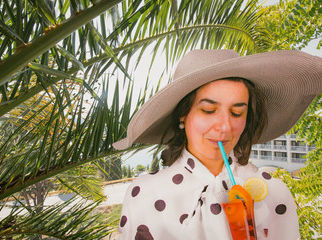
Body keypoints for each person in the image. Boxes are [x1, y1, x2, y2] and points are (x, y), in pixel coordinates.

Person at [112, 49, 322, 240]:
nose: (224, 127)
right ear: (183, 114)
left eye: (236, 113)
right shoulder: (145, 193)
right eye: (208, 110)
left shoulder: (272, 193)